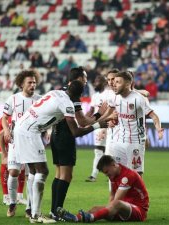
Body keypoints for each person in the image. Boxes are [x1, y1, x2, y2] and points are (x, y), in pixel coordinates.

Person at [14, 80, 107, 223]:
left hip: (23, 127)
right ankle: (36, 215)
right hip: (30, 132)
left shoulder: (55, 92)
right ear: (80, 95)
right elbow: (75, 131)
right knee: (42, 171)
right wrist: (98, 124)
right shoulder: (68, 104)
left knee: (34, 171)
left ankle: (33, 212)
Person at [50, 67, 105, 220]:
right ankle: (57, 211)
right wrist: (100, 115)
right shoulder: (73, 95)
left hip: (55, 134)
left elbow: (82, 117)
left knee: (59, 174)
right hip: (65, 138)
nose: (86, 81)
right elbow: (81, 122)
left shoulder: (62, 90)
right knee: (66, 176)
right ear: (79, 79)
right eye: (85, 78)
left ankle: (54, 210)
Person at [57, 155, 149, 222]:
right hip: (123, 209)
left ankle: (91, 218)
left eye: (107, 172)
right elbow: (112, 194)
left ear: (113, 164)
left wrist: (110, 209)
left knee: (116, 203)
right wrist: (109, 210)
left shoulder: (127, 176)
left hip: (139, 210)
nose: (107, 175)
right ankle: (76, 218)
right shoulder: (113, 175)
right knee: (95, 209)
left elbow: (117, 200)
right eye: (105, 173)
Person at [2, 70, 41, 217]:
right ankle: (12, 202)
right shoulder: (12, 99)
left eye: (34, 82)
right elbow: (5, 118)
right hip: (15, 141)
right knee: (13, 172)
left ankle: (29, 207)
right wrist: (6, 130)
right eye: (29, 83)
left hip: (32, 141)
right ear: (21, 84)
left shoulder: (39, 100)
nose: (33, 85)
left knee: (32, 173)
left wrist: (47, 131)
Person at [110, 71, 163, 174]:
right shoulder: (115, 97)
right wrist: (111, 120)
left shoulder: (139, 99)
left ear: (127, 84)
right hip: (120, 140)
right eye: (114, 81)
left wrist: (159, 130)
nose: (114, 84)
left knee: (136, 174)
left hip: (136, 141)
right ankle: (116, 191)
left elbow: (153, 116)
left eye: (118, 82)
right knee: (116, 172)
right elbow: (113, 114)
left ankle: (139, 190)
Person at [0, 116, 26, 206]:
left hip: (18, 140)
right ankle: (6, 197)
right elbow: (0, 135)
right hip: (4, 138)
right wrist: (4, 153)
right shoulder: (9, 119)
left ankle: (19, 196)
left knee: (22, 165)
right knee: (6, 163)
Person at [85, 75, 109, 182]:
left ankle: (109, 175)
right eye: (95, 81)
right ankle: (94, 175)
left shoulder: (109, 94)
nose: (95, 83)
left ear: (104, 83)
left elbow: (110, 110)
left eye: (98, 81)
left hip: (109, 125)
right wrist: (84, 119)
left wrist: (104, 127)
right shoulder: (95, 96)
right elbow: (91, 110)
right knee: (99, 151)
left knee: (108, 150)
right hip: (99, 125)